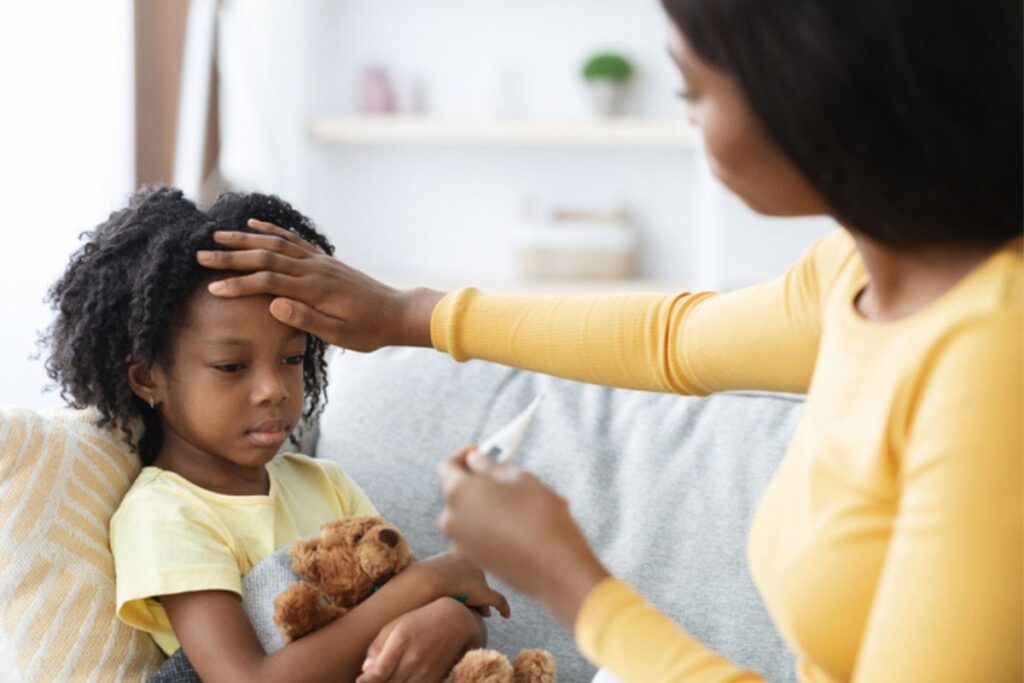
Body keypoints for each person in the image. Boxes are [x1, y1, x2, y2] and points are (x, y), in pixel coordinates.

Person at [196, 1, 1023, 681]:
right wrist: (409, 314)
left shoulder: (992, 370)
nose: (686, 111)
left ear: (812, 92)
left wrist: (573, 581)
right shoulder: (863, 268)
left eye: (693, 90)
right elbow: (675, 339)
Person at [44, 187, 510, 683]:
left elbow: (437, 621)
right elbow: (248, 679)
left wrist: (456, 618)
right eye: (231, 366)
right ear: (148, 379)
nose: (272, 389)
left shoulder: (324, 483)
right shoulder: (165, 514)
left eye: (290, 359)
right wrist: (428, 584)